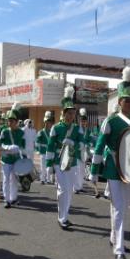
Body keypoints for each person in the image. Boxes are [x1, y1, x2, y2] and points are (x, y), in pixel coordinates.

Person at [90, 66, 130, 259]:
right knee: (119, 208)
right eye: (126, 100)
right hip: (113, 169)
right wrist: (94, 171)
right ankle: (119, 248)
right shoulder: (111, 121)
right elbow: (99, 146)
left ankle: (114, 237)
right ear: (119, 102)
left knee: (122, 208)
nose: (129, 103)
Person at [46, 86, 82, 229]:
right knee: (62, 189)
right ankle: (62, 218)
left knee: (68, 190)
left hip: (71, 162)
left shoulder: (77, 128)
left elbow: (82, 143)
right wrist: (49, 164)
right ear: (64, 113)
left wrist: (73, 143)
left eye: (73, 113)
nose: (71, 116)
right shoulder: (56, 128)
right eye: (68, 113)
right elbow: (50, 146)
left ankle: (65, 216)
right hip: (58, 162)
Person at [0, 103, 26, 209]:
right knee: (6, 179)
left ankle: (13, 198)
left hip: (16, 160)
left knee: (14, 179)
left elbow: (23, 146)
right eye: (9, 120)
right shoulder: (4, 131)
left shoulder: (21, 132)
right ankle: (6, 199)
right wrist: (8, 148)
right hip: (6, 159)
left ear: (16, 122)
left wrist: (19, 150)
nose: (10, 122)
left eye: (12, 121)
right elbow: (0, 144)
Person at [73, 108, 91, 194]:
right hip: (77, 152)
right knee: (77, 170)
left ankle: (80, 186)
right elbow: (74, 140)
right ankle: (76, 187)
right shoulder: (76, 129)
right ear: (79, 120)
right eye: (82, 120)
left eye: (85, 121)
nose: (83, 122)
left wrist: (88, 145)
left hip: (84, 152)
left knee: (82, 171)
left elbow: (89, 140)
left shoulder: (87, 130)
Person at [36, 111, 54, 185]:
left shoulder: (52, 132)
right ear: (45, 122)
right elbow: (37, 142)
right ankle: (42, 179)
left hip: (50, 151)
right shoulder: (41, 132)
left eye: (49, 121)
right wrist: (38, 150)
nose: (48, 123)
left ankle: (49, 179)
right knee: (43, 166)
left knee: (49, 166)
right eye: (47, 121)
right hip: (43, 151)